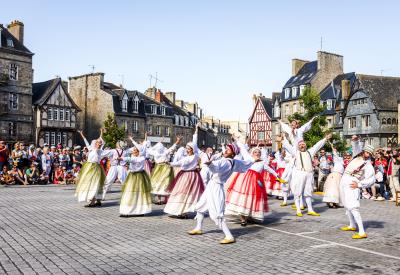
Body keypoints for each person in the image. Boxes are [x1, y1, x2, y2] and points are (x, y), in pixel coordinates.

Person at [188, 141, 253, 244]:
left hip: (216, 188)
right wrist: (240, 145)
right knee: (200, 206)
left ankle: (229, 236)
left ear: (233, 153)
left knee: (216, 214)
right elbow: (249, 161)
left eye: (228, 149)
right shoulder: (235, 162)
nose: (226, 150)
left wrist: (210, 164)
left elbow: (216, 168)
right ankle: (198, 227)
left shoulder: (226, 162)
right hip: (212, 186)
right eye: (226, 148)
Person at [225, 143, 284, 226]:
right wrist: (238, 141)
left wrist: (278, 177)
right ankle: (243, 219)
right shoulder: (248, 158)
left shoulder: (263, 163)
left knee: (251, 200)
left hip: (255, 184)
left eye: (258, 152)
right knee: (243, 198)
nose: (257, 154)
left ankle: (249, 216)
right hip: (244, 182)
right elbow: (243, 148)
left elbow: (271, 170)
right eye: (255, 152)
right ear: (252, 153)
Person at [282, 133, 331, 217]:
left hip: (309, 174)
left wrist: (325, 139)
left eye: (303, 144)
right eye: (300, 145)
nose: (302, 146)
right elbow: (288, 147)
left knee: (308, 192)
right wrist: (282, 140)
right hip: (300, 173)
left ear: (305, 146)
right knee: (298, 192)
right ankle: (298, 210)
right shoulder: (296, 152)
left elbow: (317, 145)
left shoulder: (310, 152)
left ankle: (310, 209)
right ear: (298, 146)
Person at [164, 125, 204, 218]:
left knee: (183, 192)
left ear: (192, 149)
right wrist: (196, 132)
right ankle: (182, 211)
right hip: (191, 175)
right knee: (186, 193)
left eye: (189, 148)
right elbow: (195, 142)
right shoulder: (195, 155)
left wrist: (169, 163)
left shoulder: (191, 157)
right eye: (186, 148)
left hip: (187, 176)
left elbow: (180, 163)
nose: (187, 149)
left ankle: (183, 212)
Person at [339, 136, 375, 239]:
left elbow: (372, 180)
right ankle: (352, 225)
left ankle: (362, 232)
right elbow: (355, 146)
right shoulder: (356, 156)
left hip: (352, 181)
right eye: (367, 152)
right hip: (344, 179)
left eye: (370, 154)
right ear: (364, 151)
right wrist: (355, 140)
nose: (368, 154)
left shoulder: (368, 165)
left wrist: (359, 185)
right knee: (346, 205)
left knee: (353, 207)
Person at [75, 129, 110, 207]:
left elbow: (100, 141)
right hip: (89, 167)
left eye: (99, 143)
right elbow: (85, 141)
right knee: (93, 183)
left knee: (95, 184)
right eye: (97, 142)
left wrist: (101, 134)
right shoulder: (90, 148)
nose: (98, 144)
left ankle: (93, 202)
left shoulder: (99, 151)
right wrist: (81, 134)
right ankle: (98, 200)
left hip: (95, 168)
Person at [119, 138, 152, 217]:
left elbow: (133, 160)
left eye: (135, 151)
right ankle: (128, 210)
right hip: (132, 176)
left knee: (138, 194)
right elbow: (130, 157)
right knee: (130, 193)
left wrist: (122, 158)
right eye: (133, 151)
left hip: (139, 177)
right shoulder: (135, 156)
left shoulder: (141, 158)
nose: (133, 152)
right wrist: (132, 140)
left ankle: (139, 211)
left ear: (139, 152)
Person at [148, 138, 180, 204]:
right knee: (159, 183)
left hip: (163, 168)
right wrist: (177, 141)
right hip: (160, 168)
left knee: (164, 183)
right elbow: (172, 148)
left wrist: (177, 141)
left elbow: (172, 148)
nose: (160, 149)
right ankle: (160, 199)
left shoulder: (157, 152)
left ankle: (164, 199)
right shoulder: (157, 152)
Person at [322, 144, 344, 208]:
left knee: (337, 189)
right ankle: (331, 202)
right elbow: (335, 155)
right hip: (335, 175)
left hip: (339, 176)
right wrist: (333, 149)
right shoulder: (337, 159)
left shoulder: (342, 160)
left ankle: (335, 202)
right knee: (333, 189)